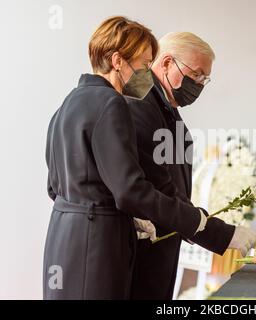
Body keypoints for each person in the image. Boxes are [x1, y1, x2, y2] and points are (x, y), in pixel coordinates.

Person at [43, 17, 214, 300]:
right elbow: (128, 190)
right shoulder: (113, 103)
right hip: (99, 243)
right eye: (146, 64)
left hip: (62, 239)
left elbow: (53, 186)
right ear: (118, 60)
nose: (147, 72)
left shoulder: (67, 104)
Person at [126, 32, 256, 300]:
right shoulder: (138, 101)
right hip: (143, 250)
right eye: (196, 74)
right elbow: (159, 191)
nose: (199, 84)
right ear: (165, 63)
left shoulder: (163, 104)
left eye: (204, 79)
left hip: (163, 242)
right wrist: (222, 234)